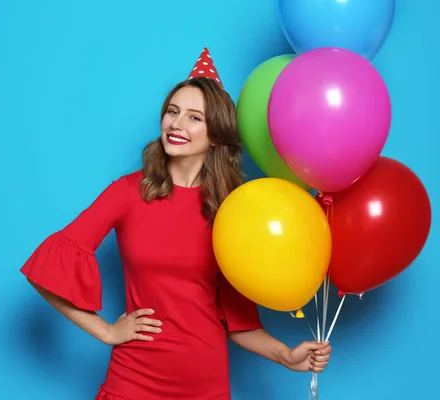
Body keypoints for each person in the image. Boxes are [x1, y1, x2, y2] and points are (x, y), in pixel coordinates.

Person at [20, 47, 332, 400]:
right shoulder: (127, 193)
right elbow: (46, 267)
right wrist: (107, 331)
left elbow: (240, 323)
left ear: (215, 134)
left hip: (205, 384)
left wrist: (287, 357)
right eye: (173, 112)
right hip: (133, 381)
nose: (177, 124)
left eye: (194, 117)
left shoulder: (231, 211)